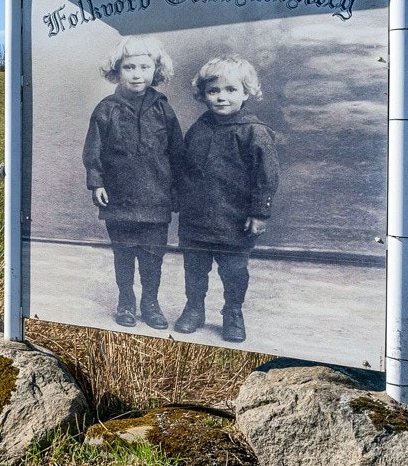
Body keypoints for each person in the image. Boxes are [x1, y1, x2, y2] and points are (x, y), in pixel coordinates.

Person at [174, 55, 280, 343]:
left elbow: (266, 176)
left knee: (234, 271)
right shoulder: (199, 129)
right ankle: (194, 309)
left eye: (231, 90)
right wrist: (178, 201)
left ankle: (233, 312)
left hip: (234, 220)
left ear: (246, 92)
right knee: (194, 267)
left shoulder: (253, 132)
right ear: (203, 95)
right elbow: (184, 168)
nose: (222, 97)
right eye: (213, 91)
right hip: (196, 217)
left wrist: (260, 213)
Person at [82, 36, 182, 329]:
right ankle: (125, 300)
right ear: (117, 70)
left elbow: (177, 153)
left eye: (144, 66)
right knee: (124, 252)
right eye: (129, 67)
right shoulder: (106, 108)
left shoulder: (163, 109)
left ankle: (150, 303)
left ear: (156, 70)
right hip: (119, 197)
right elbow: (93, 149)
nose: (137, 74)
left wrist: (176, 190)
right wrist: (96, 182)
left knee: (152, 255)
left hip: (156, 197)